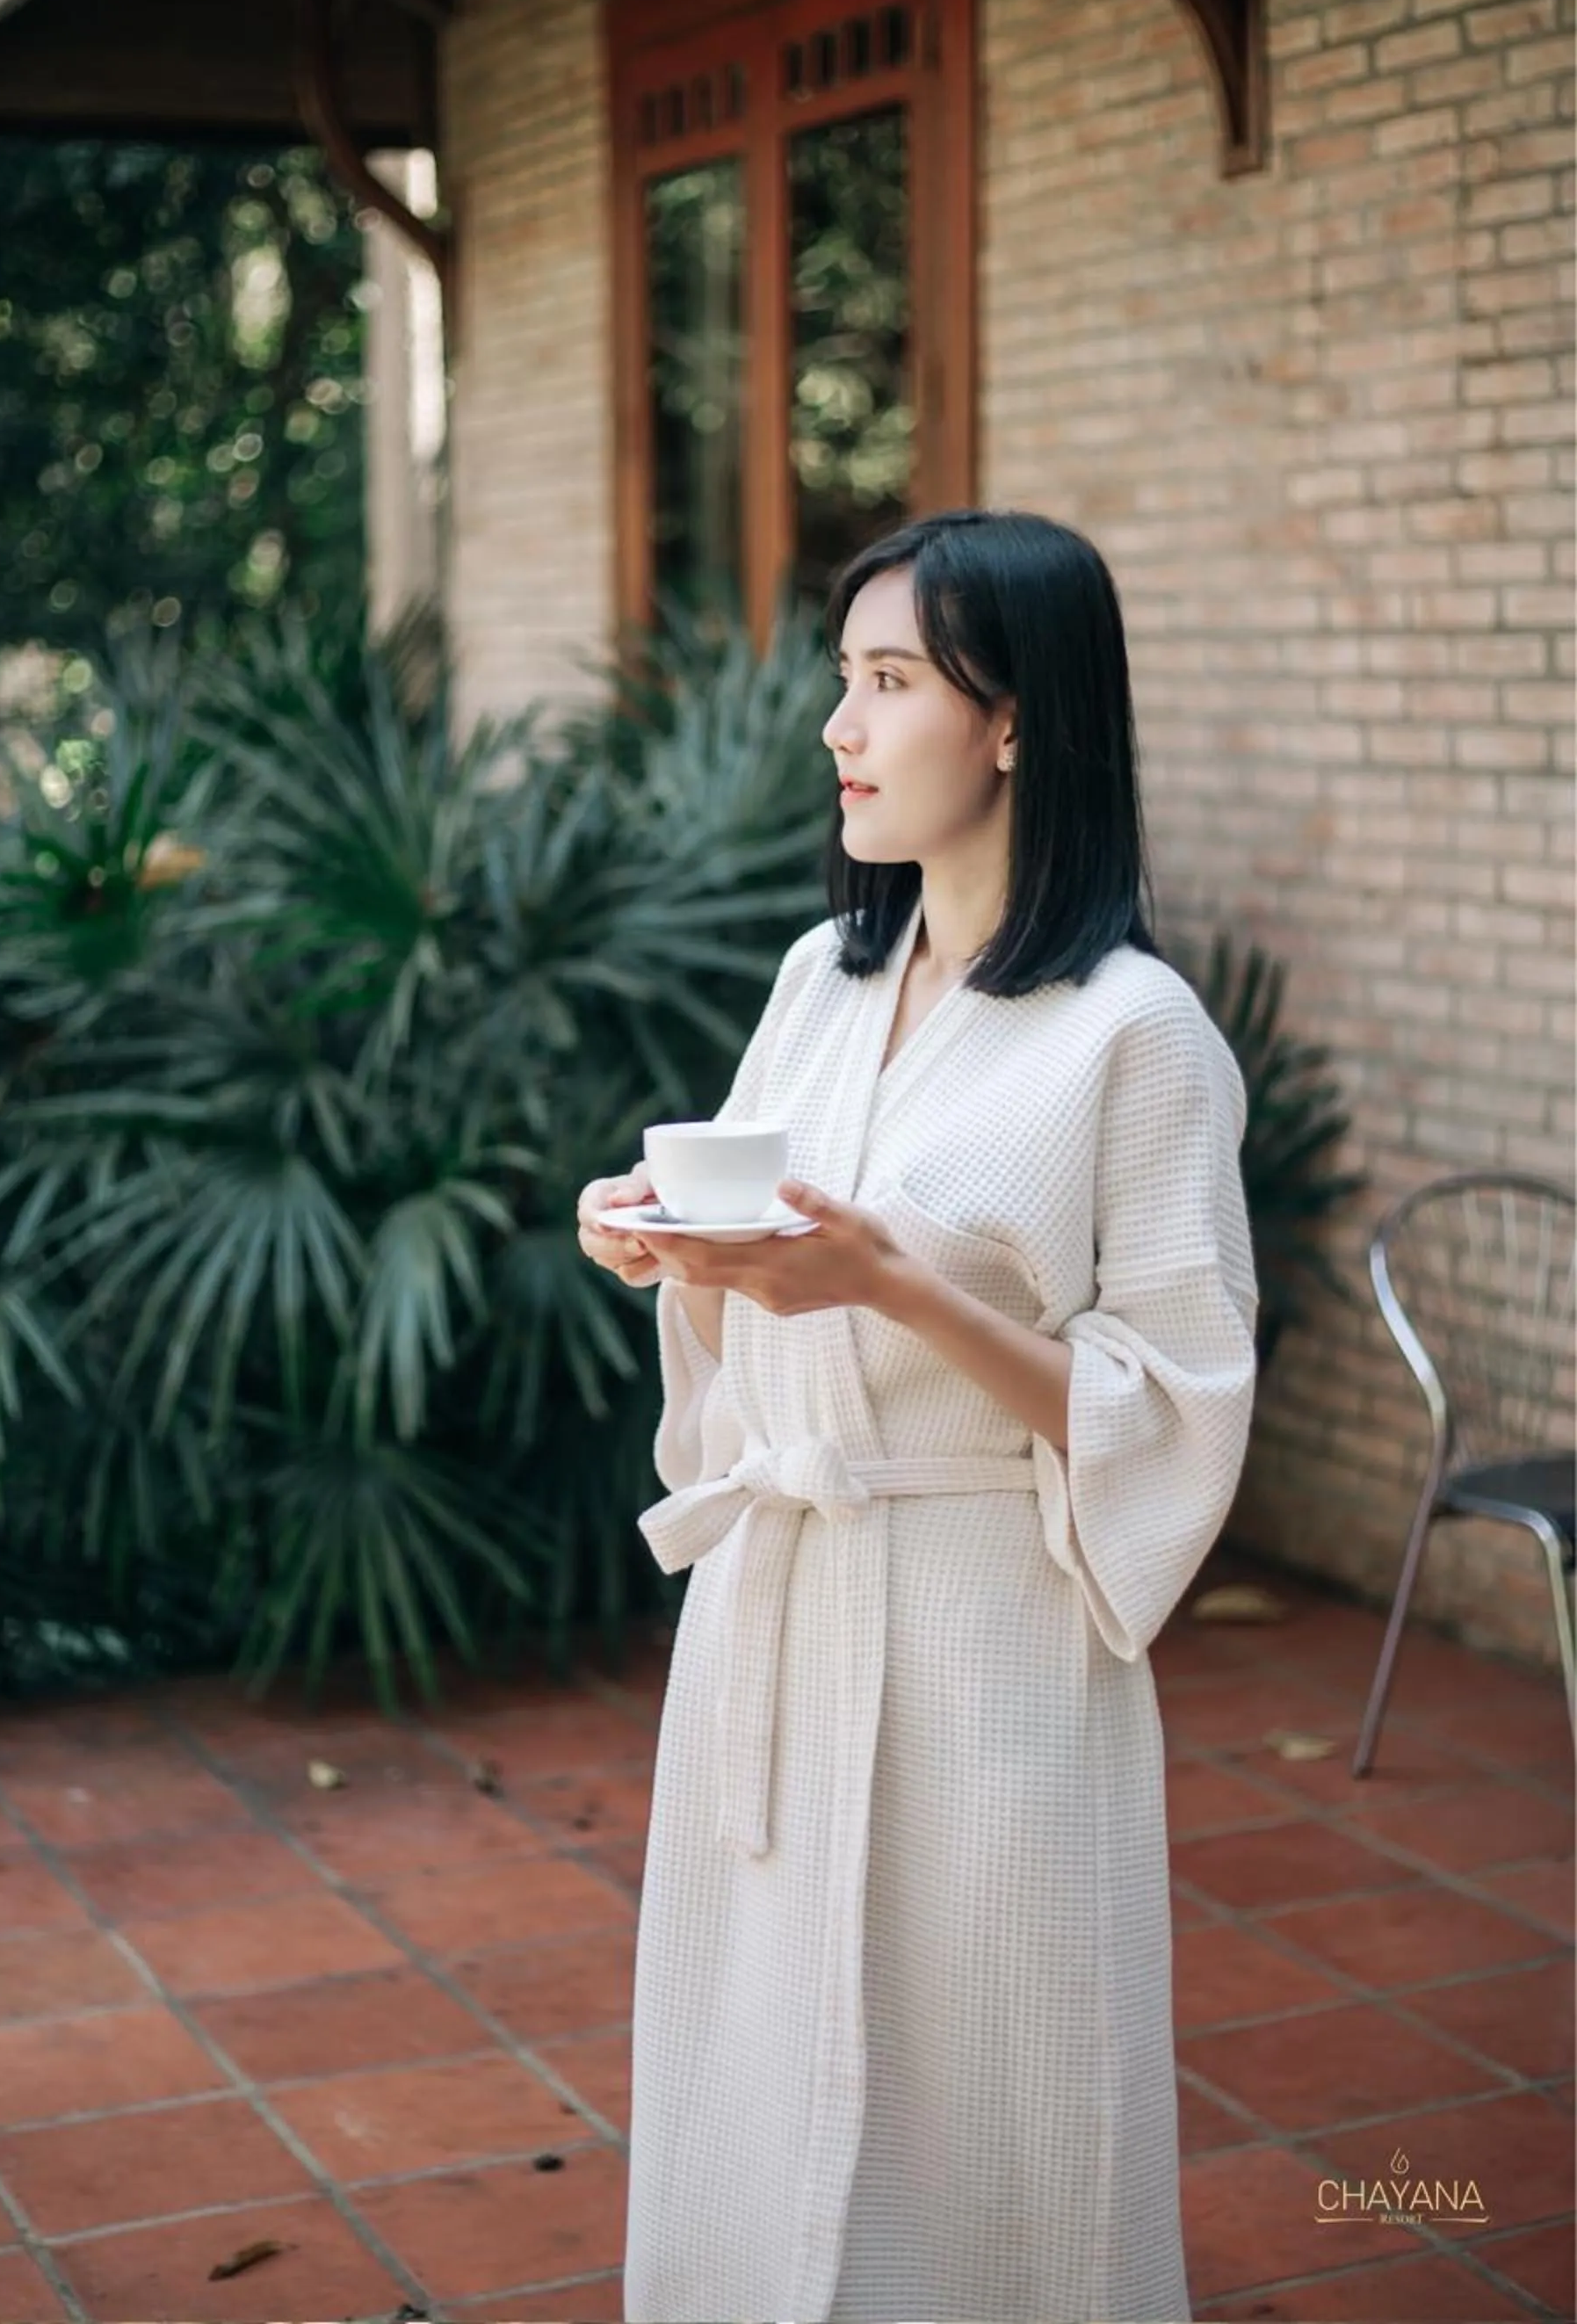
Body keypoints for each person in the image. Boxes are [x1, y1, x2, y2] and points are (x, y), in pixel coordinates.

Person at [575, 508, 1259, 2324]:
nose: (839, 728)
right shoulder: (825, 979)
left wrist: (891, 1289)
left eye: (886, 684)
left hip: (986, 1643)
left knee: (994, 2107)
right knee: (749, 2066)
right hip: (778, 1614)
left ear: (1015, 719)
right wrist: (668, 1254)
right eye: (844, 681)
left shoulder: (1138, 1037)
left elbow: (1173, 1397)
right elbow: (760, 1254)